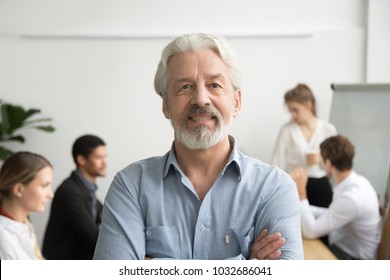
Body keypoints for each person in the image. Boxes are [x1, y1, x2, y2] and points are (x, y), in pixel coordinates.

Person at [93, 33, 303, 260]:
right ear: (166, 106)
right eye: (185, 87)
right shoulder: (130, 186)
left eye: (214, 85)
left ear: (236, 102)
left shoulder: (274, 188)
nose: (201, 99)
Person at [290, 135, 381, 259]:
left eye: (321, 160)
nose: (320, 165)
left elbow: (310, 231)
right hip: (343, 250)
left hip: (352, 258)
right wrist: (299, 207)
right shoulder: (357, 183)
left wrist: (301, 192)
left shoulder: (351, 198)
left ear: (328, 163)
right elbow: (333, 213)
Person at [272, 83, 337, 209]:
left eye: (295, 110)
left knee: (323, 227)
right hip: (294, 188)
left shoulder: (328, 129)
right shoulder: (287, 130)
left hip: (322, 188)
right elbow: (276, 165)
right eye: (290, 111)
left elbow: (337, 167)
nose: (293, 115)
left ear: (308, 105)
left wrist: (321, 159)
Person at [42, 134, 106, 259]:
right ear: (81, 159)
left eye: (105, 157)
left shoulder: (87, 190)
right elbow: (92, 236)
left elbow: (110, 217)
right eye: (99, 157)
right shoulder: (69, 192)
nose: (105, 162)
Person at [0, 151, 54, 260]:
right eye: (44, 186)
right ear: (19, 189)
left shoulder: (24, 226)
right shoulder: (4, 240)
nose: (51, 195)